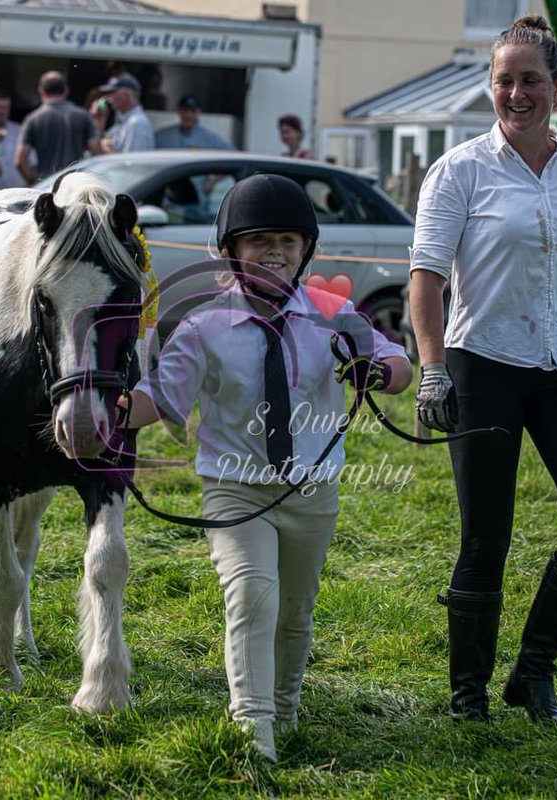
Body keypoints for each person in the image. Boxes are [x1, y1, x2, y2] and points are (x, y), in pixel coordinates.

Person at [121, 174, 411, 761]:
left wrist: (378, 372)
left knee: (295, 612)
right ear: (229, 250)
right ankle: (253, 731)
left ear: (307, 249)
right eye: (258, 240)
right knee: (254, 595)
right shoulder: (202, 327)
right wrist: (112, 413)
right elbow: (162, 397)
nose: (274, 252)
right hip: (234, 489)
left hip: (312, 490)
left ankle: (285, 708)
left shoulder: (335, 314)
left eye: (287, 240)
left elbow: (399, 362)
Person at [409, 15, 557, 726]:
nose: (517, 94)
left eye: (531, 80)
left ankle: (534, 670)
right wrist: (432, 370)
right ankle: (468, 693)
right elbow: (425, 278)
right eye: (504, 80)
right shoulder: (459, 170)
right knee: (487, 538)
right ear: (491, 86)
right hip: (482, 366)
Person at [14, 71, 99, 184]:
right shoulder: (83, 116)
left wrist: (35, 182)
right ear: (66, 90)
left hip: (47, 185)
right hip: (75, 184)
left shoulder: (33, 119)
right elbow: (96, 151)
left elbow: (20, 161)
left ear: (41, 92)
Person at [0, 91, 32, 189]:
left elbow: (31, 162)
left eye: (5, 108)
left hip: (13, 191)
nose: (1, 112)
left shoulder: (19, 131)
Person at [96, 73, 155, 154]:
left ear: (126, 95)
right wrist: (100, 119)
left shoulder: (137, 122)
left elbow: (133, 159)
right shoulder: (123, 122)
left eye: (112, 92)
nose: (108, 97)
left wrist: (105, 147)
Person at [155, 94, 234, 150]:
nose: (188, 115)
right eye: (185, 110)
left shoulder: (210, 138)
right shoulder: (163, 136)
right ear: (179, 111)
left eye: (192, 111)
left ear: (199, 112)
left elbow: (232, 155)